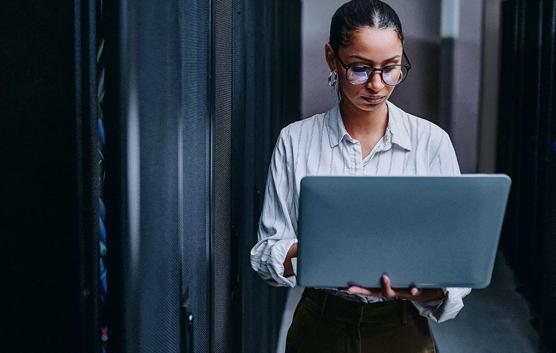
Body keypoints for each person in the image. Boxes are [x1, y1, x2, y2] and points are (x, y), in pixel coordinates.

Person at [250, 1, 471, 352]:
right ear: (331, 58)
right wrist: (319, 253)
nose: (377, 85)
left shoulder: (431, 142)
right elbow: (266, 252)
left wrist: (425, 289)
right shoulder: (295, 141)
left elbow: (456, 259)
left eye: (391, 68)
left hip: (402, 325)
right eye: (359, 69)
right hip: (321, 324)